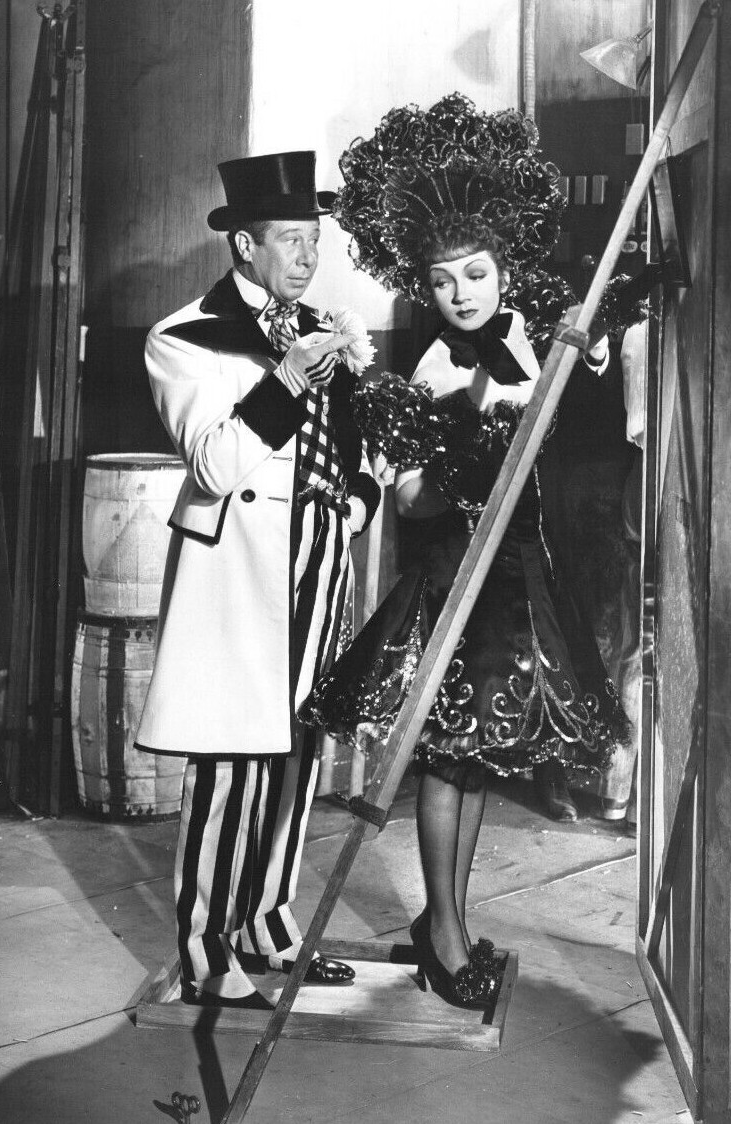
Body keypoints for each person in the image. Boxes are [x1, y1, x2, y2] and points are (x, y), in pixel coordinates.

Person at [300, 96, 632, 1008]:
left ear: (503, 271)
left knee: (479, 753)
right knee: (448, 754)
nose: (462, 295)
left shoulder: (535, 337)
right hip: (457, 576)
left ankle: (443, 920)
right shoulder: (435, 369)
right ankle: (443, 938)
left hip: (521, 570)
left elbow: (587, 360)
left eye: (476, 275)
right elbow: (409, 499)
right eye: (443, 283)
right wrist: (461, 467)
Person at [136, 150, 384, 1010]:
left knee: (300, 743)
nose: (308, 257)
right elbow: (212, 463)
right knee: (232, 756)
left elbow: (356, 444)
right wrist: (286, 379)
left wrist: (356, 505)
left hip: (319, 555)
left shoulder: (321, 326)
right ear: (245, 244)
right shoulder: (183, 337)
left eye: (314, 239)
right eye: (290, 240)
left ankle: (266, 920)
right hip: (240, 569)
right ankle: (205, 950)